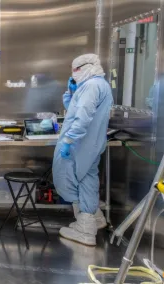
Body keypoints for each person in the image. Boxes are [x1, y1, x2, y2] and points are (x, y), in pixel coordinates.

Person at [53, 54, 114, 246]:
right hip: (91, 144)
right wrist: (72, 94)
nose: (74, 75)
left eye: (76, 70)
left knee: (66, 179)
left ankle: (85, 229)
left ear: (87, 67)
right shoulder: (99, 85)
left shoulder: (91, 86)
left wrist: (69, 139)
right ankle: (93, 218)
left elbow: (83, 116)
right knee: (87, 179)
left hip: (79, 143)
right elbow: (75, 109)